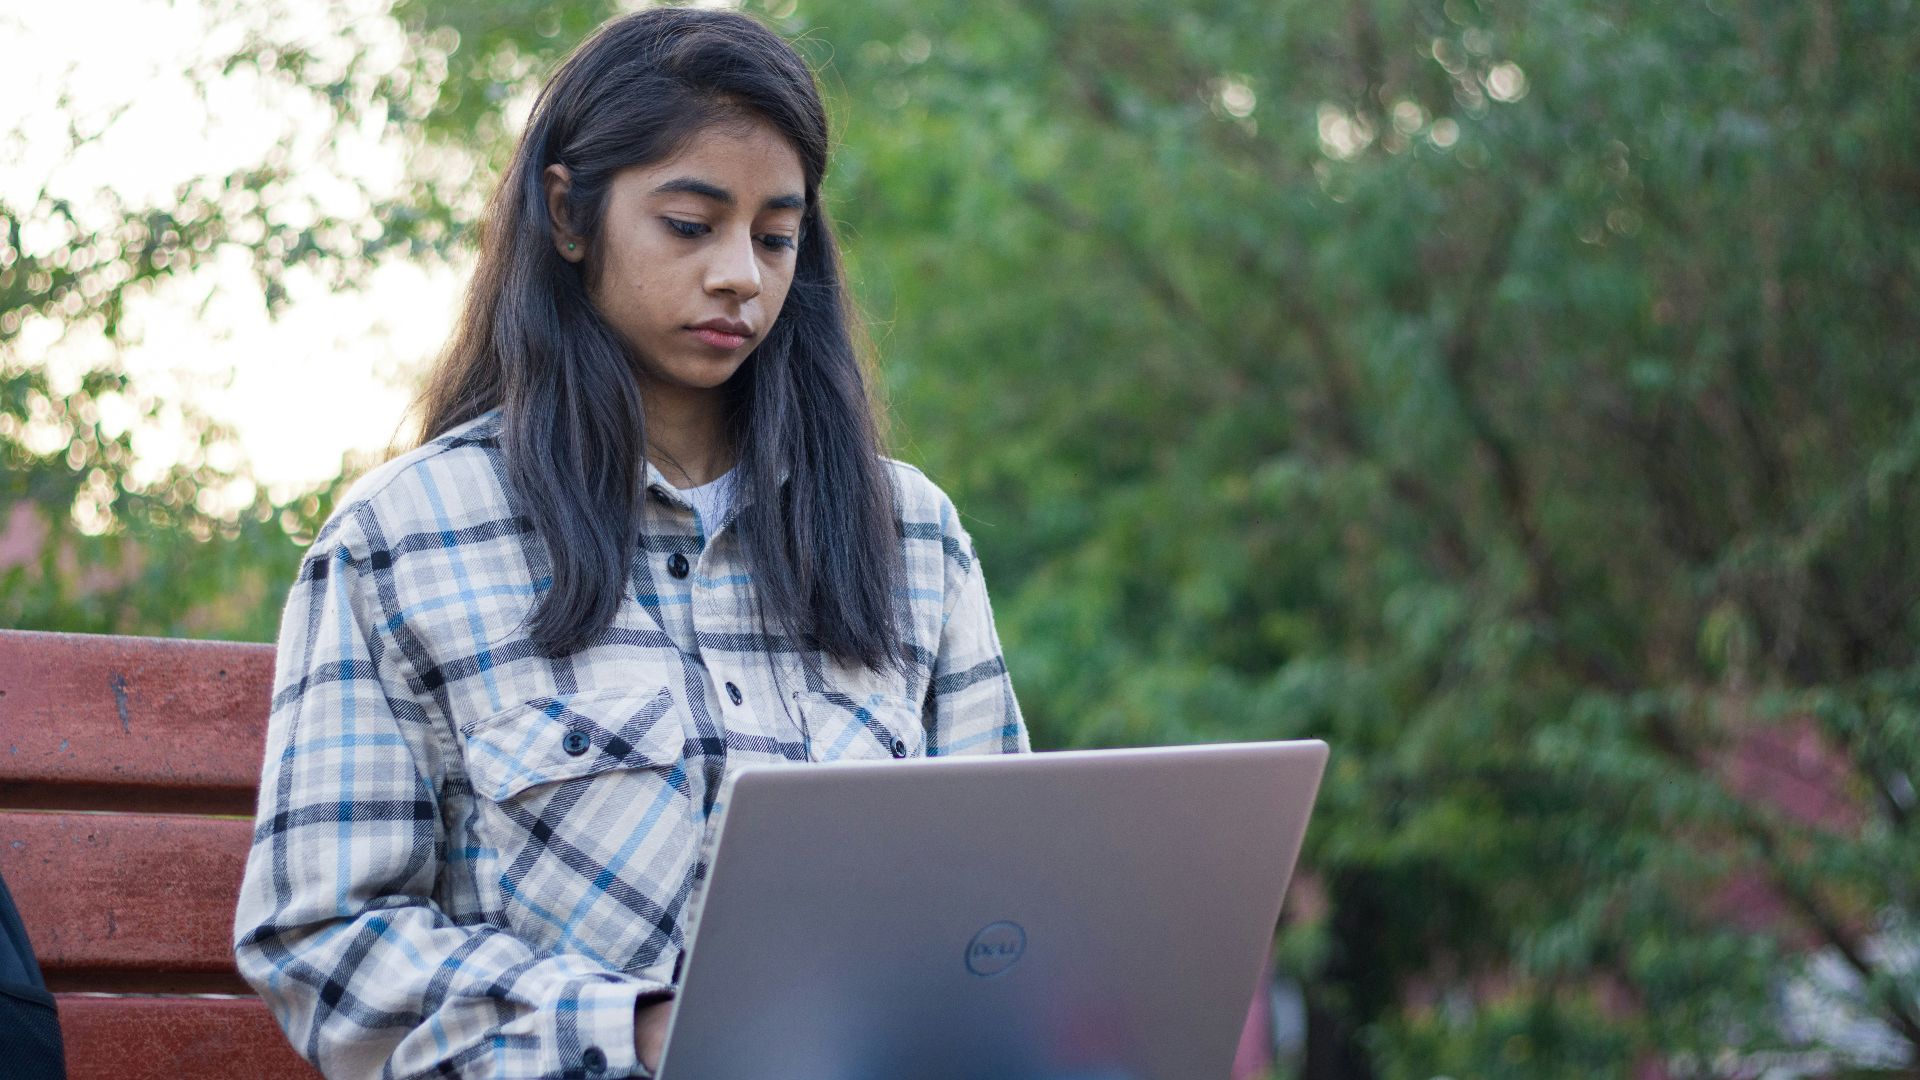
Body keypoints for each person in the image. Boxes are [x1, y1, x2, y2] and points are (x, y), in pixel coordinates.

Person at [231, 9, 1029, 1078]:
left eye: (776, 235)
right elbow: (323, 942)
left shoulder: (912, 539)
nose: (742, 273)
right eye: (691, 226)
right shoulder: (400, 542)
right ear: (569, 214)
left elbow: (1007, 912)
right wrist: (643, 1030)